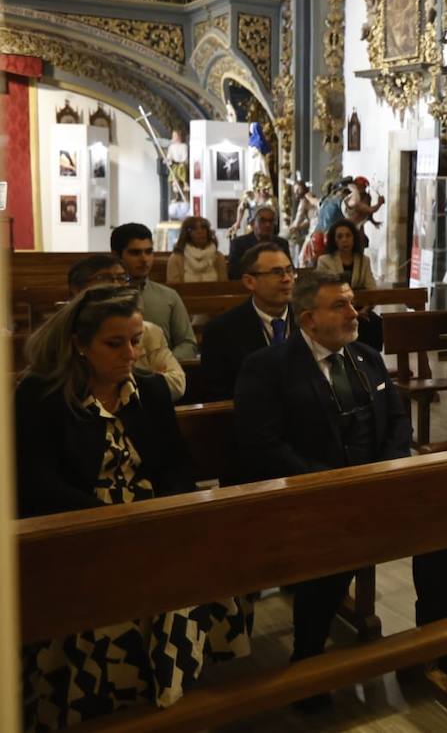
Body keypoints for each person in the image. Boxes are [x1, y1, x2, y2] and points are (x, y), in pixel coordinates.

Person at [16, 286, 249, 728]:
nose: (130, 353)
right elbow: (37, 483)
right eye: (115, 343)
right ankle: (100, 703)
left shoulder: (148, 390)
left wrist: (174, 514)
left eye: (136, 340)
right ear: (79, 345)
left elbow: (176, 465)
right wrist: (113, 523)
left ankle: (168, 692)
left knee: (196, 571)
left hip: (150, 521)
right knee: (109, 599)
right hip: (76, 527)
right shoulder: (41, 396)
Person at [232, 271, 447, 708]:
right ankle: (308, 660)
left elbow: (397, 421)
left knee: (444, 530)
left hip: (376, 487)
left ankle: (437, 644)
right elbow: (262, 444)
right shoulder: (268, 368)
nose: (353, 313)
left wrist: (387, 469)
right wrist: (329, 485)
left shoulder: (366, 357)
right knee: (331, 546)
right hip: (310, 497)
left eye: (352, 302)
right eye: (339, 305)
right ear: (308, 318)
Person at [67, 255, 185, 401]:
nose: (116, 285)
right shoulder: (62, 336)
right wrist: (149, 374)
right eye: (105, 278)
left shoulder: (147, 330)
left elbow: (177, 383)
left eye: (122, 278)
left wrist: (143, 381)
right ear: (77, 289)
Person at [200, 243, 296, 401]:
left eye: (289, 270)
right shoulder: (221, 331)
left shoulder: (310, 319)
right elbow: (217, 395)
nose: (286, 279)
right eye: (277, 272)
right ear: (250, 282)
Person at [111, 222, 197, 359]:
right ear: (116, 255)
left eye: (149, 251)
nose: (144, 259)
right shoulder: (104, 297)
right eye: (135, 253)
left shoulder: (168, 296)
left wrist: (165, 363)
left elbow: (188, 343)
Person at [316, 219, 381, 349]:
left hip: (361, 309)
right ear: (334, 240)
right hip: (336, 309)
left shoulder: (363, 260)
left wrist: (364, 310)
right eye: (340, 236)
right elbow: (325, 291)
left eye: (348, 235)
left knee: (374, 322)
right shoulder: (325, 261)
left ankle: (370, 362)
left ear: (354, 238)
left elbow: (371, 289)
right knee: (343, 323)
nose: (344, 240)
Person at [227, 206, 290, 279]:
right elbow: (234, 274)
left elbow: (289, 269)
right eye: (262, 221)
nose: (267, 225)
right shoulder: (239, 244)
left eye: (271, 221)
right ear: (252, 224)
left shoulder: (282, 243)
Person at [167, 215, 229, 283]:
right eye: (194, 229)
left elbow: (223, 287)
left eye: (203, 228)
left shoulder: (218, 257)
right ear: (186, 234)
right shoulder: (176, 259)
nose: (200, 232)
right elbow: (173, 289)